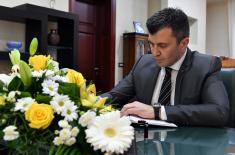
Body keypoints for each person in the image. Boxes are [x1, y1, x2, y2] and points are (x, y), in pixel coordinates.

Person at [102, 8, 229, 126]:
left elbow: (219, 112)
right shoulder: (143, 63)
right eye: (151, 44)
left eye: (162, 46)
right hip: (146, 142)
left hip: (185, 144)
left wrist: (158, 112)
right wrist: (87, 102)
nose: (154, 52)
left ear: (184, 43)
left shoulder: (206, 65)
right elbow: (114, 96)